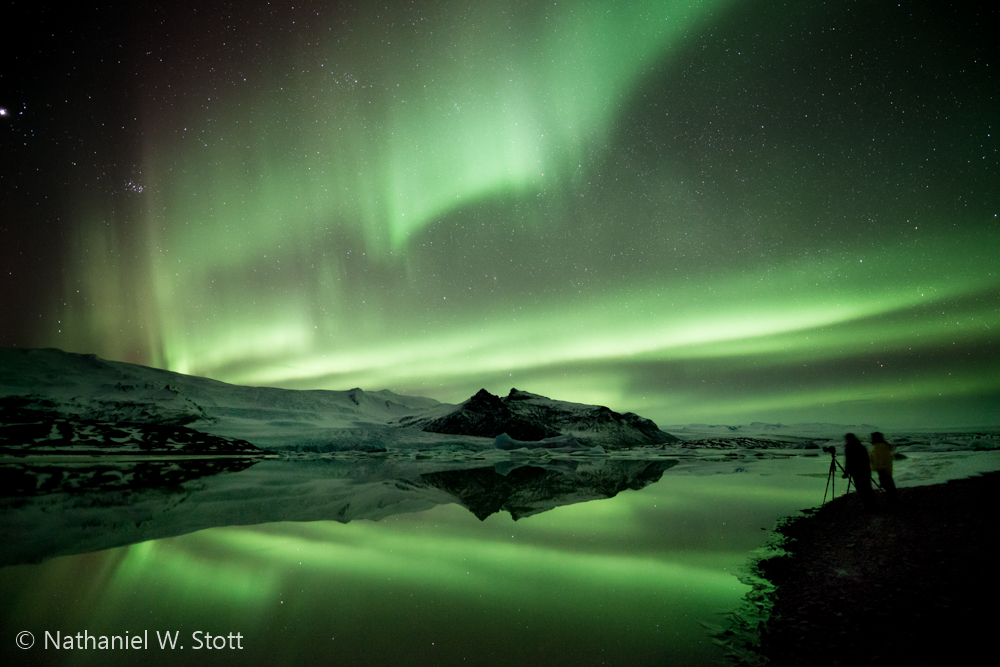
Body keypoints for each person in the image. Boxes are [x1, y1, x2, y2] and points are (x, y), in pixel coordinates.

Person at [843, 433, 875, 510]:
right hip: (865, 470)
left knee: (861, 489)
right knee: (867, 488)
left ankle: (867, 506)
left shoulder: (850, 447)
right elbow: (867, 459)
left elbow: (849, 461)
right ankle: (873, 505)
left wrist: (847, 472)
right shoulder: (861, 446)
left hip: (857, 471)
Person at [870, 431, 898, 507]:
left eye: (872, 437)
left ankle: (893, 503)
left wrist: (879, 467)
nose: (871, 438)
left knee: (888, 486)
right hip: (884, 469)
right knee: (888, 486)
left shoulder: (880, 447)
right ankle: (892, 502)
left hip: (883, 470)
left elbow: (881, 459)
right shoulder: (880, 446)